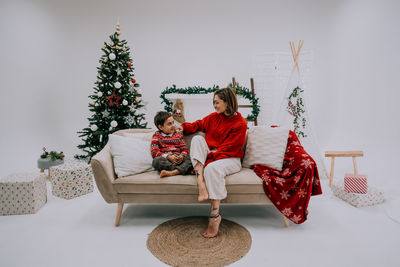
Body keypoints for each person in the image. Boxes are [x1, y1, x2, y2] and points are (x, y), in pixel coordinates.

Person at [176, 87, 247, 238]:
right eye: (213, 102)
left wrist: (208, 159)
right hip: (213, 155)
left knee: (212, 169)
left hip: (230, 158)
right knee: (197, 139)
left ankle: (214, 216)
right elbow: (197, 125)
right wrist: (182, 127)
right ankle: (200, 181)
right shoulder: (213, 117)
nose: (214, 106)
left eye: (217, 102)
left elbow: (230, 149)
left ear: (227, 102)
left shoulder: (240, 123)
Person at [151, 111, 193, 178]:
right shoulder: (156, 136)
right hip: (167, 160)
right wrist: (168, 157)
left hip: (179, 159)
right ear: (161, 127)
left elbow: (184, 149)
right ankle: (181, 170)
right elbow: (154, 152)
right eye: (169, 124)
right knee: (156, 161)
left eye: (173, 122)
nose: (173, 125)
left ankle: (172, 172)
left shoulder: (178, 135)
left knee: (191, 159)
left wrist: (182, 156)